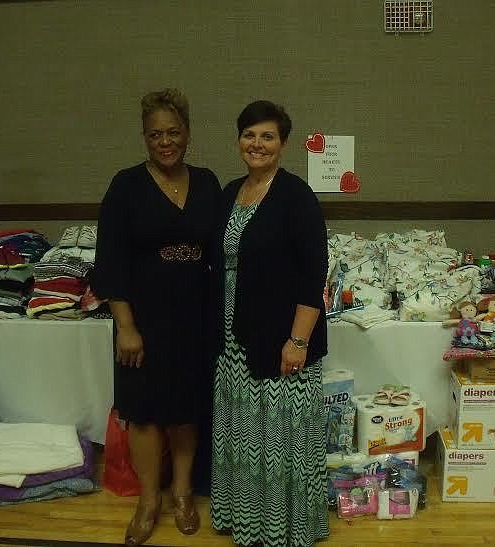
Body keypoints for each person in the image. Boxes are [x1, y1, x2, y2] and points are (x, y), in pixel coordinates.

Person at [92, 88, 221, 546]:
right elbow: (110, 261)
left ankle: (182, 493)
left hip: (195, 317)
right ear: (143, 137)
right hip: (142, 320)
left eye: (173, 132)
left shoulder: (207, 183)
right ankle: (149, 500)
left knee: (185, 409)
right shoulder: (125, 186)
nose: (165, 142)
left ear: (187, 132)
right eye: (154, 135)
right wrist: (125, 326)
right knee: (144, 413)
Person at [209, 100, 330, 546]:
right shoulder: (229, 192)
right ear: (238, 139)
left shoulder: (296, 196)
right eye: (249, 135)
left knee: (281, 439)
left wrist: (298, 340)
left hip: (282, 341)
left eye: (267, 136)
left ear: (282, 144)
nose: (256, 144)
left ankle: (286, 529)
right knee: (244, 435)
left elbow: (313, 273)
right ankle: (248, 522)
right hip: (233, 340)